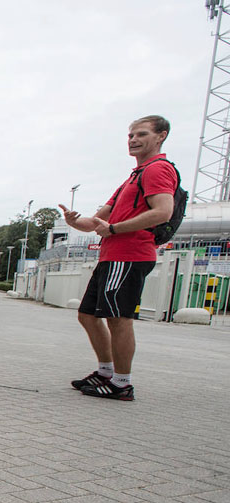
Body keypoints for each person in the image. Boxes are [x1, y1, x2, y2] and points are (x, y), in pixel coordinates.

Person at [58, 115, 177, 401]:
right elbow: (96, 222)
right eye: (130, 135)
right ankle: (105, 372)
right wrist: (75, 222)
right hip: (112, 256)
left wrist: (114, 229)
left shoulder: (158, 170)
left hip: (130, 255)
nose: (133, 140)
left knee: (118, 319)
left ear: (160, 136)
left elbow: (163, 211)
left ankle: (122, 384)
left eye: (142, 134)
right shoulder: (132, 178)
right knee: (87, 315)